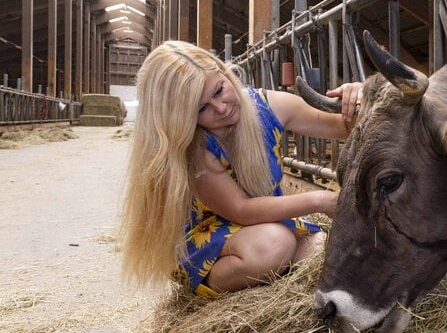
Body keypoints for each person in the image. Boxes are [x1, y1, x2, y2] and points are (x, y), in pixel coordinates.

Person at [118, 40, 362, 297]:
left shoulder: (270, 105)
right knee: (273, 246)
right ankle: (214, 283)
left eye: (219, 91)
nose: (220, 108)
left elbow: (342, 127)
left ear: (223, 72)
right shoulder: (194, 148)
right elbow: (241, 210)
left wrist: (359, 98)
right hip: (210, 238)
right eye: (201, 109)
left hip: (269, 223)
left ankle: (271, 273)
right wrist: (320, 199)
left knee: (321, 250)